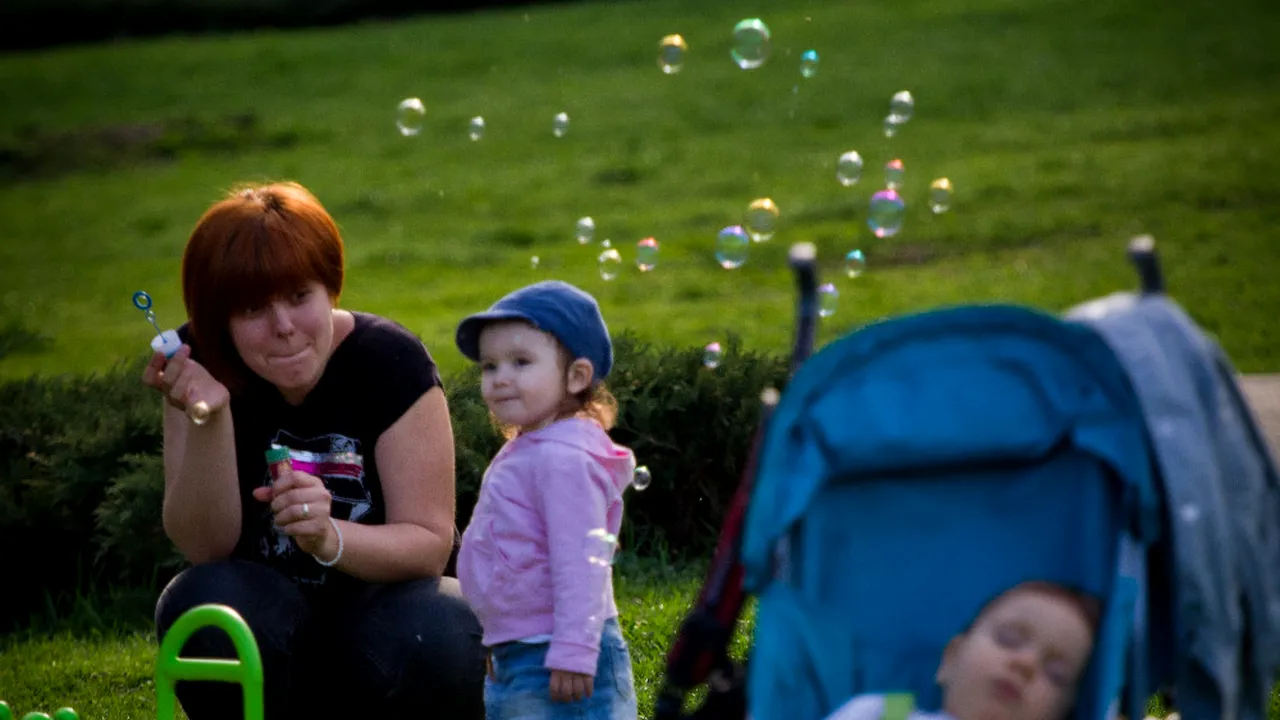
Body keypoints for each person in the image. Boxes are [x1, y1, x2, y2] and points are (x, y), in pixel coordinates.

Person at [142, 181, 485, 719]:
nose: (283, 328)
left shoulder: (390, 363)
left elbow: (429, 545)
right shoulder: (198, 366)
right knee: (201, 605)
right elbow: (204, 548)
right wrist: (208, 417)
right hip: (269, 626)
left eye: (300, 296)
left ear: (331, 288)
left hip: (388, 623)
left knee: (444, 625)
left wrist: (330, 537)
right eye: (253, 309)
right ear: (220, 321)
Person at [453, 280, 639, 719]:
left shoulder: (562, 459)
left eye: (520, 362)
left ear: (576, 376)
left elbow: (581, 560)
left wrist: (575, 652)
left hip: (558, 656)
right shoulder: (535, 448)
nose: (500, 378)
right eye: (489, 366)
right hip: (521, 651)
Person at [825, 581, 1101, 720]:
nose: (1026, 663)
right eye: (1008, 639)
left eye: (1056, 674)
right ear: (951, 658)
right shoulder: (884, 711)